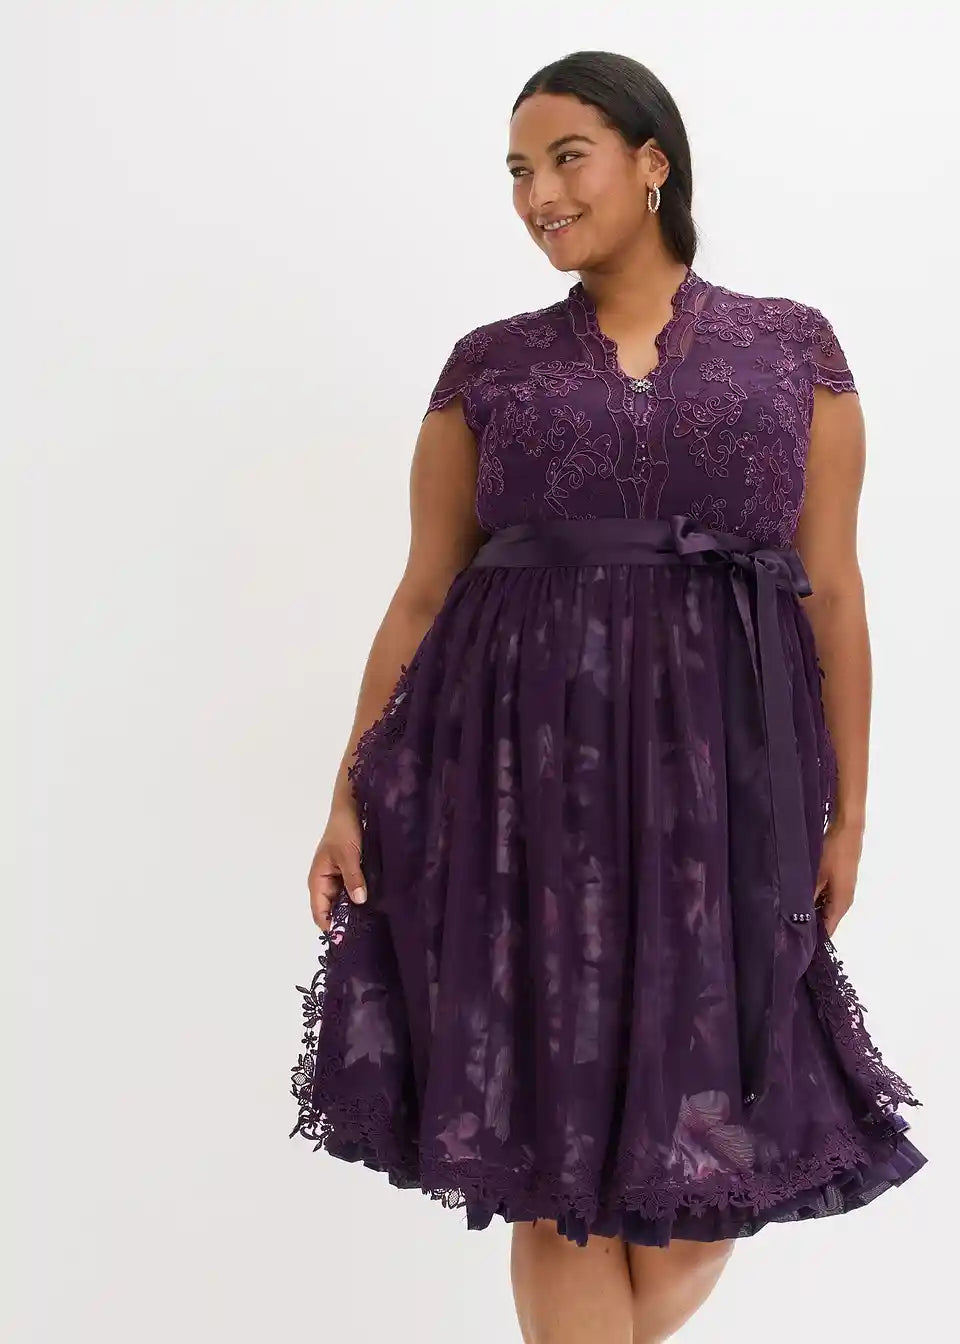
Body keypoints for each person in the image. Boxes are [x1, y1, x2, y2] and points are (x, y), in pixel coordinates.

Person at [290, 49, 927, 1344]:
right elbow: (423, 593)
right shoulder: (489, 366)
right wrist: (349, 791)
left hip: (727, 787)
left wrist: (851, 814)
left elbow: (837, 593)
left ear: (652, 162)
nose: (539, 195)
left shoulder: (792, 348)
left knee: (712, 1163)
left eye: (565, 158)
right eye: (517, 172)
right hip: (517, 784)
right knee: (552, 1151)